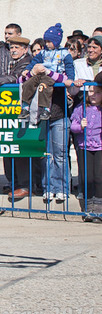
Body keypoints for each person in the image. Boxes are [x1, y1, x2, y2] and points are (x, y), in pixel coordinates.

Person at [0, 35, 38, 200]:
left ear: (25, 49)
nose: (13, 50)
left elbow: (15, 78)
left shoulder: (28, 61)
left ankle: (25, 185)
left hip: (24, 111)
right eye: (11, 47)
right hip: (8, 112)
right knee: (8, 147)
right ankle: (14, 183)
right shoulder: (7, 60)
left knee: (20, 148)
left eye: (17, 48)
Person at [21, 23, 75, 127]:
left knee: (44, 86)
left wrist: (71, 78)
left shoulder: (64, 53)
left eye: (49, 41)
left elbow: (69, 66)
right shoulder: (43, 52)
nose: (47, 44)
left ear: (56, 41)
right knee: (29, 83)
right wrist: (27, 70)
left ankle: (45, 109)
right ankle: (25, 106)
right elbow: (34, 62)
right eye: (46, 41)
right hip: (40, 73)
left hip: (52, 75)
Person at [70, 78, 102, 220]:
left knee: (99, 177)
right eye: (90, 92)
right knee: (87, 177)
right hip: (85, 146)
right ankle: (88, 207)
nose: (93, 95)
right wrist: (80, 126)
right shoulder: (81, 108)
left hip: (100, 147)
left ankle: (99, 206)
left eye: (98, 92)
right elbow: (73, 126)